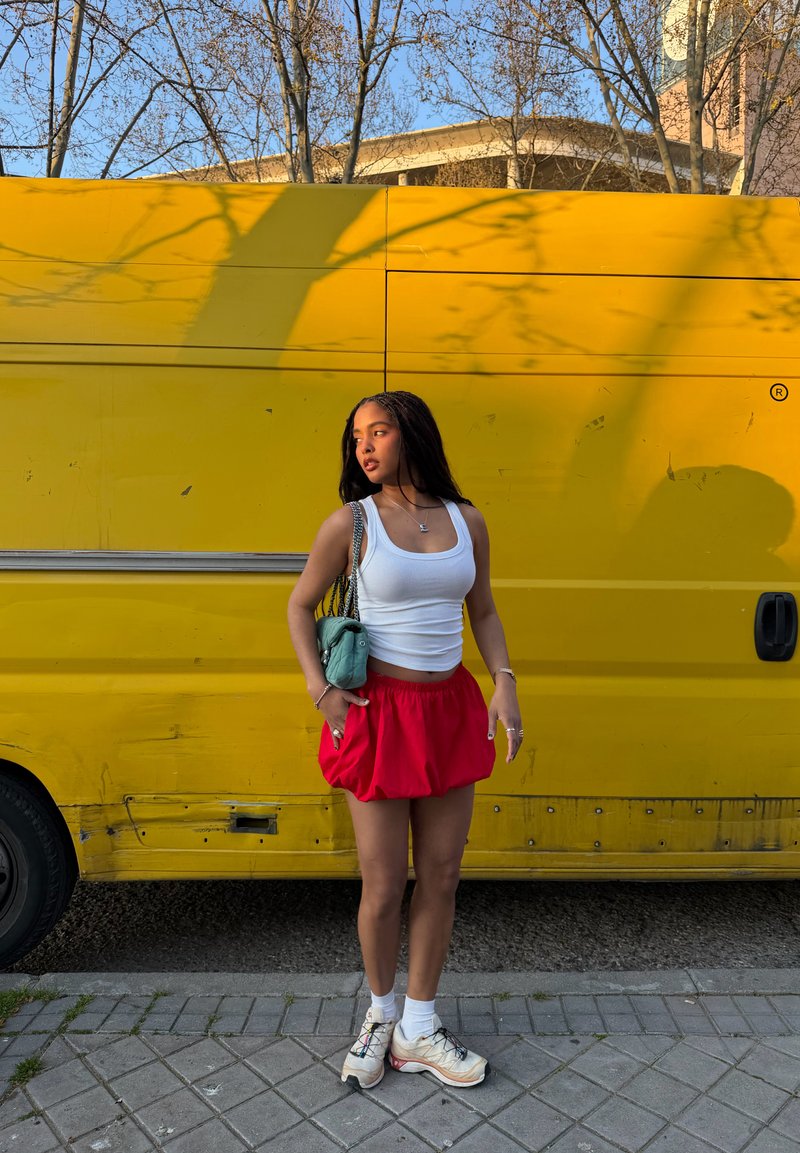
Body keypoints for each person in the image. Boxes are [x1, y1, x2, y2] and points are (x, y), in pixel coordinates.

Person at [287, 390, 522, 1091]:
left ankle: (419, 1027)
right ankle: (380, 1013)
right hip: (380, 713)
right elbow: (299, 604)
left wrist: (504, 680)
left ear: (412, 434)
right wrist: (320, 689)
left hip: (448, 708)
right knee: (385, 883)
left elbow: (483, 609)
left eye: (379, 431)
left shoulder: (467, 520)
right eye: (356, 434)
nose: (364, 445)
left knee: (442, 875)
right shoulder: (351, 522)